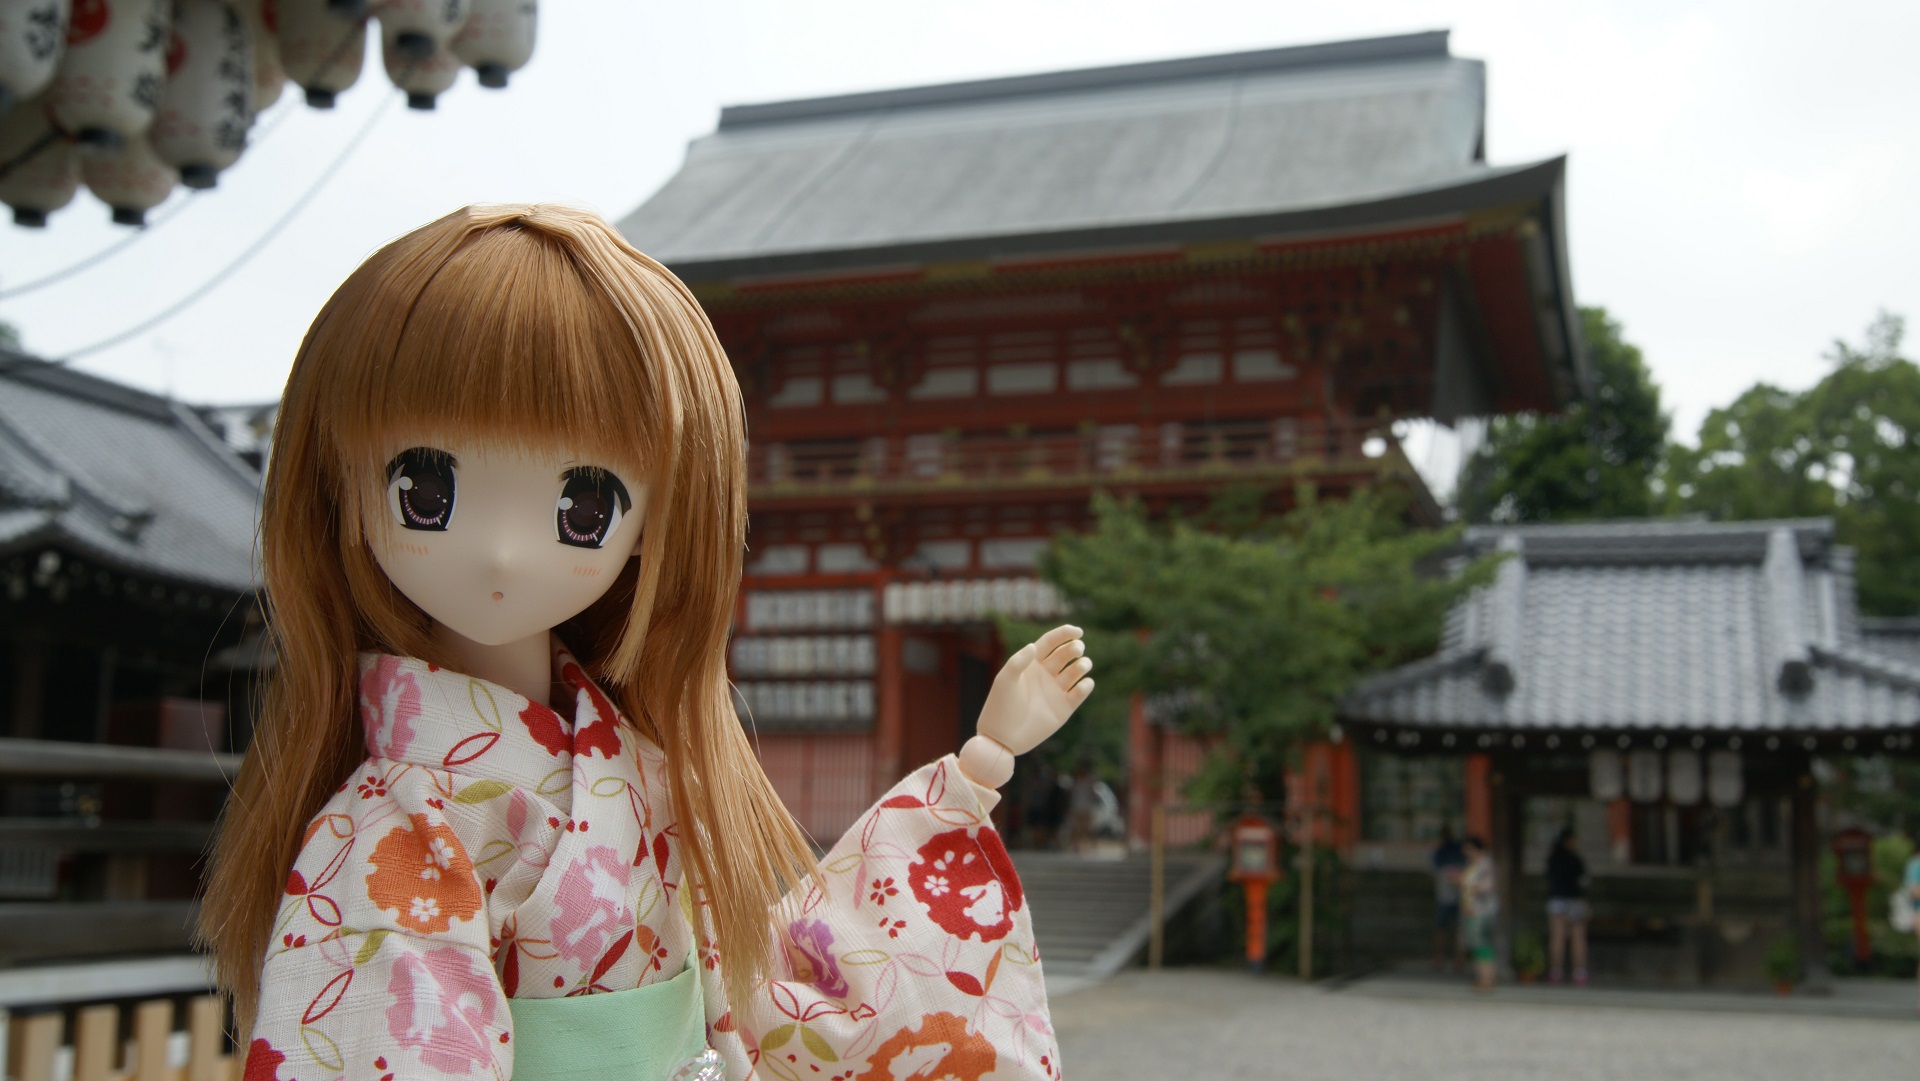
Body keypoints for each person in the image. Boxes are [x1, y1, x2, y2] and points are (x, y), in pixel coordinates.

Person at [197, 206, 1097, 1081]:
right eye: (425, 488)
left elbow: (752, 987)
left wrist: (979, 767)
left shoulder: (638, 761)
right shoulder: (399, 822)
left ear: (655, 521)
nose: (505, 551)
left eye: (582, 509)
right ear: (340, 488)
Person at [1546, 827, 1591, 985]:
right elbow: (1582, 882)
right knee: (1577, 938)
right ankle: (1579, 972)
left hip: (1556, 901)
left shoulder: (1552, 859)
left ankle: (1556, 971)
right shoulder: (1575, 859)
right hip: (1574, 900)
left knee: (1557, 937)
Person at [1460, 835, 1499, 992]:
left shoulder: (1485, 864)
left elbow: (1489, 885)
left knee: (1483, 946)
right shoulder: (1473, 865)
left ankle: (1487, 979)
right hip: (1473, 910)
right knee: (1478, 946)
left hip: (1483, 911)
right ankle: (1482, 978)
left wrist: (1471, 885)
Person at [1430, 827, 1467, 971]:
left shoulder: (1442, 853)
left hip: (1451, 896)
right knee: (1448, 929)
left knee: (1447, 928)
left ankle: (1447, 958)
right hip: (1450, 896)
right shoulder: (1444, 852)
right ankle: (1452, 958)